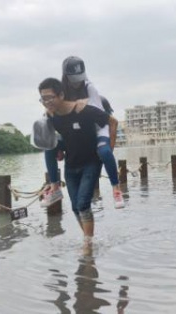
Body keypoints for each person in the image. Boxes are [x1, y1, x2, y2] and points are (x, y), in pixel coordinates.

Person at [35, 77, 110, 248]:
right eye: (43, 99)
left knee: (83, 203)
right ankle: (88, 241)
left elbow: (110, 122)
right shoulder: (51, 118)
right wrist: (59, 148)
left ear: (61, 95)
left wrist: (107, 150)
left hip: (91, 162)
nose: (47, 102)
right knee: (76, 207)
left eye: (50, 97)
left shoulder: (82, 109)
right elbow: (59, 139)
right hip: (71, 165)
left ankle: (88, 247)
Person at [41, 56, 124, 209]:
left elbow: (95, 113)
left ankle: (116, 189)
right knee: (49, 147)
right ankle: (55, 187)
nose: (77, 81)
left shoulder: (89, 87)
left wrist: (106, 151)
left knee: (105, 152)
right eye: (73, 78)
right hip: (74, 132)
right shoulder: (60, 91)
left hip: (97, 126)